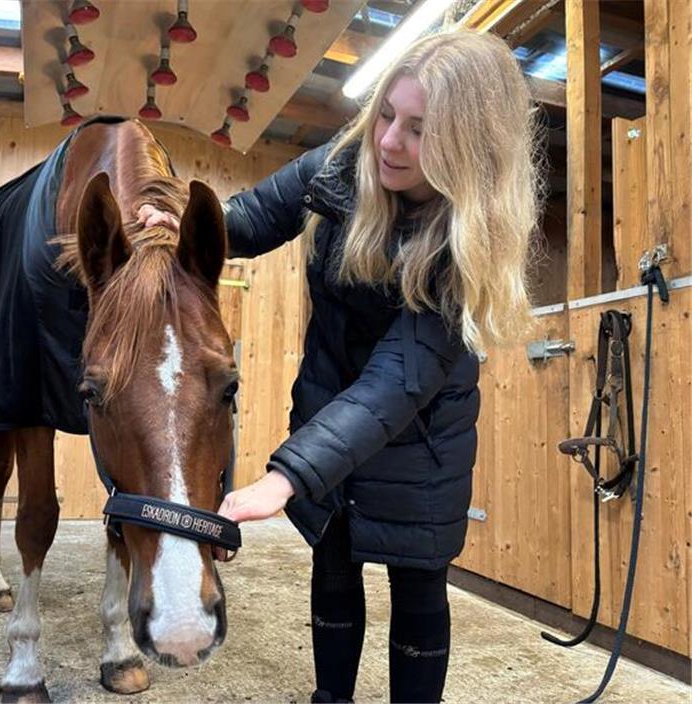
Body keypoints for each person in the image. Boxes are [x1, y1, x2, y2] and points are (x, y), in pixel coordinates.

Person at [140, 28, 542, 704]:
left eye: (419, 130)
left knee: (418, 582)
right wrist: (184, 220)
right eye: (387, 114)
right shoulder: (349, 160)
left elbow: (396, 382)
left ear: (465, 148)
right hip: (330, 402)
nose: (388, 140)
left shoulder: (465, 246)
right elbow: (259, 213)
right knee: (333, 563)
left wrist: (288, 474)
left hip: (420, 437)